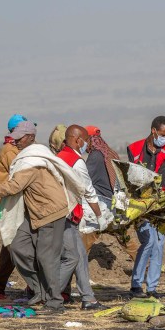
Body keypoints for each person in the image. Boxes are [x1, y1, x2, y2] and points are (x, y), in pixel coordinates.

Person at [0, 121, 85, 314]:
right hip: (34, 212)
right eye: (14, 139)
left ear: (30, 137)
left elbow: (13, 186)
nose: (15, 142)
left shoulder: (32, 161)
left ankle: (55, 302)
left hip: (50, 212)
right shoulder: (28, 157)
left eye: (19, 139)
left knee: (46, 257)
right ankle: (40, 290)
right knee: (16, 245)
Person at [56, 125, 108, 311]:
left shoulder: (60, 157)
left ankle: (88, 298)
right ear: (78, 141)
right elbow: (89, 192)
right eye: (85, 141)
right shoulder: (77, 162)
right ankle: (50, 295)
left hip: (61, 213)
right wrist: (100, 216)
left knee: (81, 257)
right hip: (65, 215)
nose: (87, 144)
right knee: (71, 257)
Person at [126, 116, 165, 298]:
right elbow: (133, 176)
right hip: (140, 202)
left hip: (159, 201)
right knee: (148, 241)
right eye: (163, 134)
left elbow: (161, 177)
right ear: (154, 131)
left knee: (160, 243)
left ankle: (152, 288)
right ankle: (136, 284)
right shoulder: (134, 148)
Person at [83, 126, 140, 261]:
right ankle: (145, 267)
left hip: (102, 206)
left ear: (90, 140)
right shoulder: (111, 153)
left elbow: (84, 181)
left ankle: (76, 272)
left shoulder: (95, 156)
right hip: (117, 205)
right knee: (126, 240)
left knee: (85, 241)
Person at [0, 114, 29, 302]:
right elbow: (20, 176)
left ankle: (31, 287)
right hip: (11, 204)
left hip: (18, 202)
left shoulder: (14, 149)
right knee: (11, 247)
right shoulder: (11, 151)